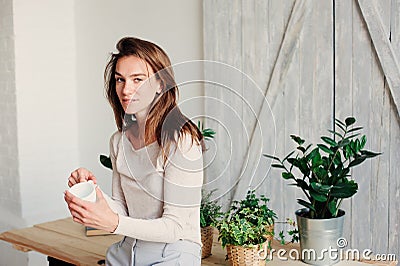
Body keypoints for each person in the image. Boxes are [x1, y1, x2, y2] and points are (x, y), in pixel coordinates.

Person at [64, 37, 204, 265]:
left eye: (137, 79)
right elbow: (123, 208)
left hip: (173, 254)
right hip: (126, 252)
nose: (126, 90)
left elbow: (175, 227)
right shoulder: (119, 142)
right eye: (120, 80)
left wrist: (114, 223)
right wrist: (91, 192)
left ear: (160, 84)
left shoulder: (181, 141)